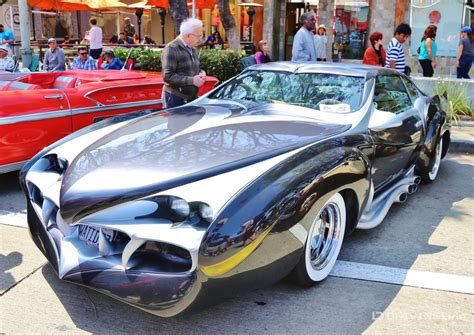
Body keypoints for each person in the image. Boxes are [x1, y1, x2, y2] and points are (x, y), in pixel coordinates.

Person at [161, 18, 206, 108]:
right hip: (175, 98)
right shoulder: (172, 48)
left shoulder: (192, 48)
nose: (200, 40)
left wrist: (201, 72)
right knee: (176, 122)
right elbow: (168, 76)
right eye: (198, 36)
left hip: (189, 98)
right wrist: (192, 80)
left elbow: (190, 68)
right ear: (188, 35)